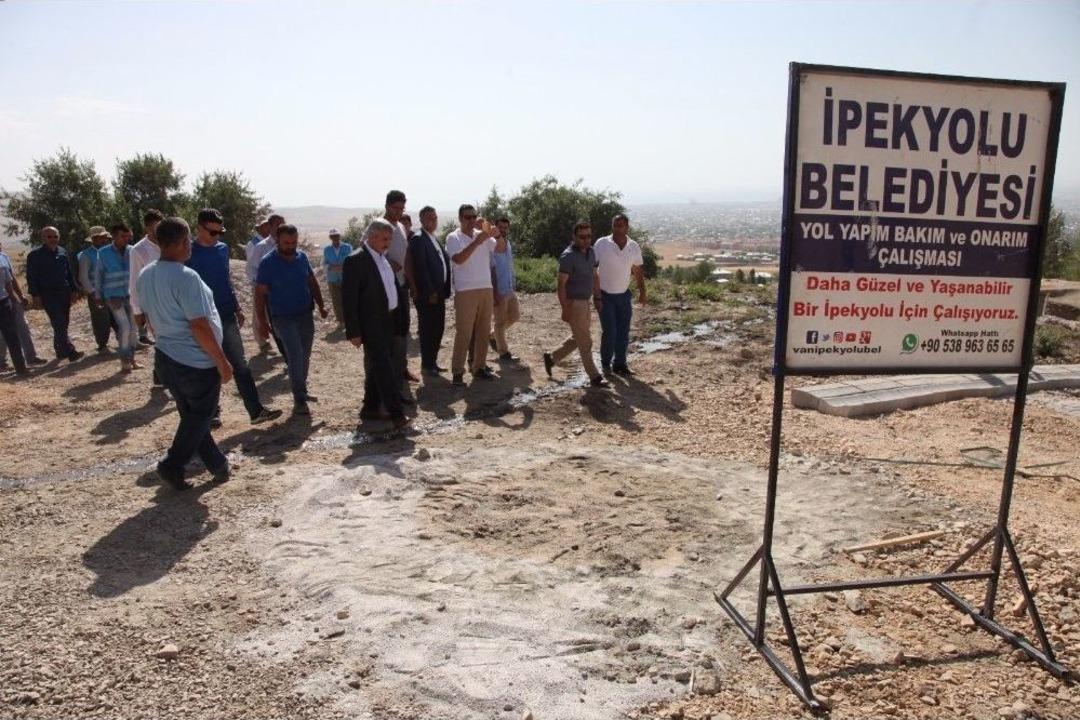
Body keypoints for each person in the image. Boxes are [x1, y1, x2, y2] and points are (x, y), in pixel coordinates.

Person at [135, 217, 233, 491]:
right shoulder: (185, 277)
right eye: (188, 239)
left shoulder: (147, 274)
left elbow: (149, 318)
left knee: (193, 416)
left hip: (166, 356)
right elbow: (199, 325)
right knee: (200, 416)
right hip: (195, 361)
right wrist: (221, 361)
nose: (190, 244)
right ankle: (172, 464)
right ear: (179, 242)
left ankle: (217, 465)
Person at [186, 208, 282, 427]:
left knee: (240, 363)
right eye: (212, 232)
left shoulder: (222, 249)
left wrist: (237, 308)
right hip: (201, 317)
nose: (217, 237)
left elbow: (225, 280)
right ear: (199, 228)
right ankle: (212, 414)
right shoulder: (188, 254)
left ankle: (256, 411)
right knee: (207, 365)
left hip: (226, 313)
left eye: (220, 232)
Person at [254, 223, 328, 416]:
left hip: (305, 314)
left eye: (294, 242)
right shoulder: (267, 263)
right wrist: (262, 322)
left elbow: (311, 281)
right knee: (295, 355)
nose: (291, 246)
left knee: (304, 355)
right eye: (286, 242)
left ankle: (301, 389)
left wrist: (321, 305)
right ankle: (299, 398)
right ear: (277, 241)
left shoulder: (302, 257)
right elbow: (260, 294)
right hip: (282, 318)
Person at [342, 219, 409, 430]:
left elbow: (392, 289)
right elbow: (349, 299)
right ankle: (396, 414)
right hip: (371, 323)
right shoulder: (356, 260)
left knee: (377, 366)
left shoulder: (383, 258)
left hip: (388, 320)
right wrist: (353, 331)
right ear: (371, 237)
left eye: (389, 239)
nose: (388, 243)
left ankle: (370, 407)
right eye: (385, 239)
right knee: (384, 368)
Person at [543, 221, 608, 388]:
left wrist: (598, 297)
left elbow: (594, 276)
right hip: (574, 303)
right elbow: (561, 285)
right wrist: (565, 308)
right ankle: (595, 376)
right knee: (586, 342)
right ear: (574, 237)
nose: (586, 240)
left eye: (588, 236)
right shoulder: (568, 256)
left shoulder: (592, 252)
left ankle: (552, 358)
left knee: (578, 337)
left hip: (585, 302)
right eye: (582, 237)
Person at [446, 205, 499, 386]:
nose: (471, 220)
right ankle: (458, 372)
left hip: (486, 288)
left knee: (484, 331)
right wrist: (477, 241)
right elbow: (459, 259)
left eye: (474, 216)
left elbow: (499, 248)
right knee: (464, 333)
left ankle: (479, 367)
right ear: (460, 218)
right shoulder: (453, 237)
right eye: (467, 217)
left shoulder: (481, 235)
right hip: (465, 291)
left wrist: (495, 232)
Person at [594, 213, 647, 375]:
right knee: (610, 331)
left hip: (624, 295)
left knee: (623, 331)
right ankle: (605, 364)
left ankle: (620, 364)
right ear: (612, 226)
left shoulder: (633, 246)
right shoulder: (601, 244)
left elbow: (637, 270)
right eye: (615, 225)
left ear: (627, 227)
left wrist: (643, 291)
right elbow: (593, 270)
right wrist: (596, 295)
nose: (617, 228)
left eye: (621, 225)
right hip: (605, 295)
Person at [25, 226, 83, 362]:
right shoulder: (35, 255)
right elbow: (31, 277)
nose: (53, 239)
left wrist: (74, 290)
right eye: (49, 237)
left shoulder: (62, 252)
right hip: (48, 295)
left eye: (55, 236)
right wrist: (35, 296)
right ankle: (70, 351)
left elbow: (68, 273)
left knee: (64, 323)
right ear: (43, 238)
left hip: (64, 292)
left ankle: (60, 351)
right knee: (59, 322)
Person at [406, 206, 450, 376]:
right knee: (428, 330)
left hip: (439, 293)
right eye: (430, 218)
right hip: (428, 295)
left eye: (435, 217)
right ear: (422, 220)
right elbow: (421, 269)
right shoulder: (418, 239)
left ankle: (432, 362)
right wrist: (430, 291)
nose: (434, 220)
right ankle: (427, 365)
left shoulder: (433, 238)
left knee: (438, 328)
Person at [382, 190, 418, 391]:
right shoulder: (379, 225)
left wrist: (412, 284)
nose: (398, 212)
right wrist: (387, 261)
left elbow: (406, 258)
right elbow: (365, 250)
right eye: (395, 208)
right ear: (387, 206)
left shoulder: (401, 228)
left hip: (401, 285)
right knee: (390, 332)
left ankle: (401, 369)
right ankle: (392, 373)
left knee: (403, 329)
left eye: (401, 208)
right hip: (386, 288)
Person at [95, 222, 140, 372]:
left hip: (130, 295)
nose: (126, 239)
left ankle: (131, 358)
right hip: (113, 295)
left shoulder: (132, 251)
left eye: (128, 236)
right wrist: (98, 295)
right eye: (123, 236)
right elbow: (99, 274)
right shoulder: (103, 253)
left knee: (134, 328)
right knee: (125, 327)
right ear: (114, 236)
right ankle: (124, 361)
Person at [0, 240, 45, 369]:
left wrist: (19, 296)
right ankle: (1, 362)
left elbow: (11, 279)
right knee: (4, 333)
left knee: (23, 327)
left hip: (10, 298)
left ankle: (31, 357)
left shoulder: (4, 257)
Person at [246, 214, 285, 354]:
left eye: (283, 224)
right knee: (260, 315)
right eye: (278, 225)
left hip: (282, 291)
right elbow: (251, 268)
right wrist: (259, 285)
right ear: (270, 227)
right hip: (264, 289)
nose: (281, 227)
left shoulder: (286, 244)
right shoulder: (259, 247)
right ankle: (262, 341)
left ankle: (283, 346)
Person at [77, 226, 117, 353]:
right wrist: (93, 292)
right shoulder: (86, 255)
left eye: (105, 237)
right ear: (93, 239)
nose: (104, 240)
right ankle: (103, 345)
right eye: (101, 237)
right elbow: (83, 277)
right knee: (101, 319)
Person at [130, 209, 164, 347]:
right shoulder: (138, 250)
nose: (159, 231)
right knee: (164, 344)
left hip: (177, 301)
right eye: (156, 227)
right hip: (154, 305)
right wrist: (137, 310)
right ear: (147, 228)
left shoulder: (170, 243)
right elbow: (134, 282)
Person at [491, 216, 520, 363]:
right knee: (500, 322)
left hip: (509, 287)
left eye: (505, 227)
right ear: (495, 227)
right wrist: (495, 292)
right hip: (499, 289)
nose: (503, 230)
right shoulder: (492, 243)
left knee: (515, 316)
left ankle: (492, 335)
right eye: (500, 227)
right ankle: (503, 353)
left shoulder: (507, 242)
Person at [0, 253, 29, 376]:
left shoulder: (2, 262)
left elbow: (8, 283)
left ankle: (21, 368)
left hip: (3, 302)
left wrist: (14, 299)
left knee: (12, 337)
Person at [322, 228, 352, 326]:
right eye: (333, 236)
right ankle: (340, 321)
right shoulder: (327, 249)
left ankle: (349, 319)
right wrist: (331, 267)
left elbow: (351, 261)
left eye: (337, 235)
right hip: (332, 279)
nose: (335, 238)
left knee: (347, 299)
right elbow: (324, 263)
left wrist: (343, 267)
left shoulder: (347, 247)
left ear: (340, 236)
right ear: (330, 237)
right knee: (336, 300)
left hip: (346, 278)